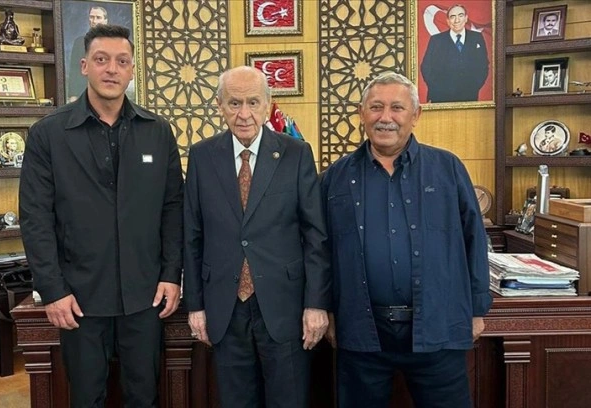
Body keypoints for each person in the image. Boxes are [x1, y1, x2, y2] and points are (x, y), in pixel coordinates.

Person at [19, 24, 183, 408]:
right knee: (86, 398)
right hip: (79, 297)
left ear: (132, 70)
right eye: (101, 59)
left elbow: (173, 207)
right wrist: (53, 290)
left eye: (122, 61)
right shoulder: (48, 134)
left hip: (145, 295)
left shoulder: (157, 132)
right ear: (84, 67)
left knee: (144, 397)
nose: (112, 69)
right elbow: (35, 218)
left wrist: (170, 274)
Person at [321, 72, 492, 407]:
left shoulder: (447, 168)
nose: (385, 117)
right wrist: (324, 308)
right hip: (361, 331)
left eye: (397, 108)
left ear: (415, 115)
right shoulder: (334, 177)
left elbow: (474, 238)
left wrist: (476, 309)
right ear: (361, 113)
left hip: (438, 326)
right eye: (376, 107)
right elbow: (321, 249)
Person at [183, 66, 331, 407]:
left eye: (253, 102)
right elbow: (192, 234)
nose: (244, 114)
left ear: (267, 104)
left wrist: (316, 303)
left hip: (285, 306)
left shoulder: (296, 153)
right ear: (219, 105)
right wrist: (196, 305)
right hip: (225, 306)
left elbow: (315, 236)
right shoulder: (202, 156)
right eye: (234, 103)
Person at [420, 4, 489, 103]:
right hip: (440, 97)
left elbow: (483, 65)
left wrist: (474, 86)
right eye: (452, 17)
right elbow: (426, 67)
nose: (457, 20)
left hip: (469, 96)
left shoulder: (477, 38)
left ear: (466, 18)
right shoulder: (436, 40)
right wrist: (437, 88)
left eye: (460, 15)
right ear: (448, 21)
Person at [68, 6, 109, 101]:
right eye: (92, 17)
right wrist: (73, 96)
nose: (94, 21)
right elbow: (74, 71)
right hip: (83, 93)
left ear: (105, 21)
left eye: (98, 17)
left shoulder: (113, 43)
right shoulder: (79, 42)